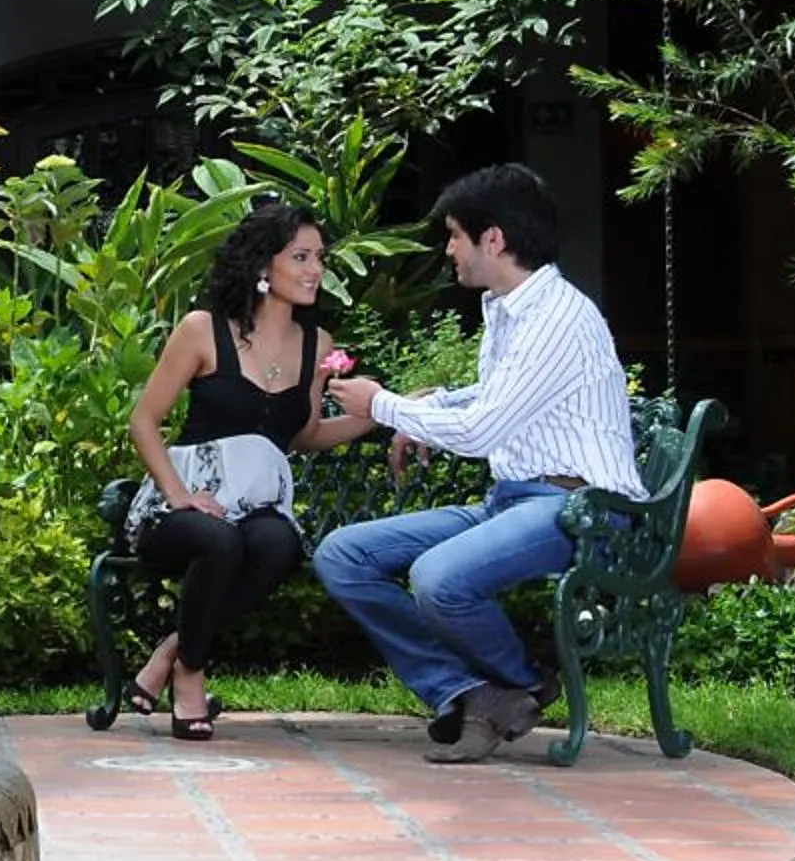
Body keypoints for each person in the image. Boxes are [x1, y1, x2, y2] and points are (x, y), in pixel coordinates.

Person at [317, 164, 644, 765]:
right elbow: (495, 396)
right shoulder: (510, 308)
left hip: (582, 510)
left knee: (440, 578)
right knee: (344, 553)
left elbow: (482, 429)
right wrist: (431, 402)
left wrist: (383, 405)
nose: (448, 251)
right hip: (515, 501)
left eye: (453, 236)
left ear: (492, 240)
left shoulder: (557, 318)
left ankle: (528, 683)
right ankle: (473, 693)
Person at [121, 201, 379, 740]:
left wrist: (383, 413)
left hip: (256, 506)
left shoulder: (317, 346)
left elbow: (303, 435)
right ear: (264, 265)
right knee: (220, 542)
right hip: (180, 505)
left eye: (321, 258)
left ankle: (173, 650)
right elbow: (144, 421)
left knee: (278, 545)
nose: (316, 270)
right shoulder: (201, 331)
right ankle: (191, 674)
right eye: (301, 256)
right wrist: (180, 495)